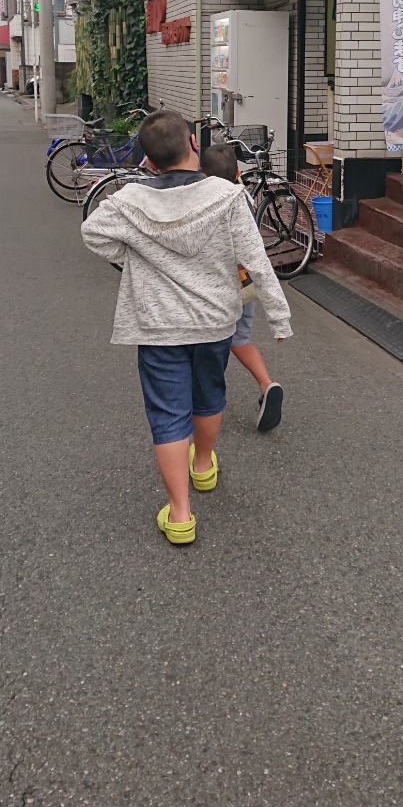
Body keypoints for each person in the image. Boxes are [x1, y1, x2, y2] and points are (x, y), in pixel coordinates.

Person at [80, 108, 292, 547]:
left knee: (167, 411)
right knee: (209, 394)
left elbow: (93, 233)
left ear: (149, 162)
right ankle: (204, 464)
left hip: (158, 324)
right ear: (194, 146)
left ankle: (179, 515)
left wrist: (134, 257)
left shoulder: (129, 200)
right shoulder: (228, 195)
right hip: (215, 321)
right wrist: (279, 317)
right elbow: (256, 259)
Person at [199, 142, 284, 434]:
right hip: (247, 285)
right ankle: (266, 383)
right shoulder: (244, 198)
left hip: (219, 287)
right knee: (240, 339)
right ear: (238, 172)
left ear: (203, 175)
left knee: (212, 343)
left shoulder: (205, 203)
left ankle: (203, 399)